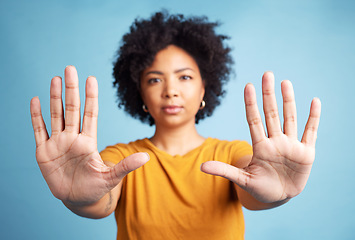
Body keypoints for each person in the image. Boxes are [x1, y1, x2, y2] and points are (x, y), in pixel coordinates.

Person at [30, 11, 321, 240]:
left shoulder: (233, 154)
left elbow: (254, 191)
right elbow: (100, 200)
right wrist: (77, 200)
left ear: (205, 88)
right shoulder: (121, 158)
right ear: (140, 93)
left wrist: (279, 194)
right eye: (154, 79)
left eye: (184, 77)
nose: (170, 90)